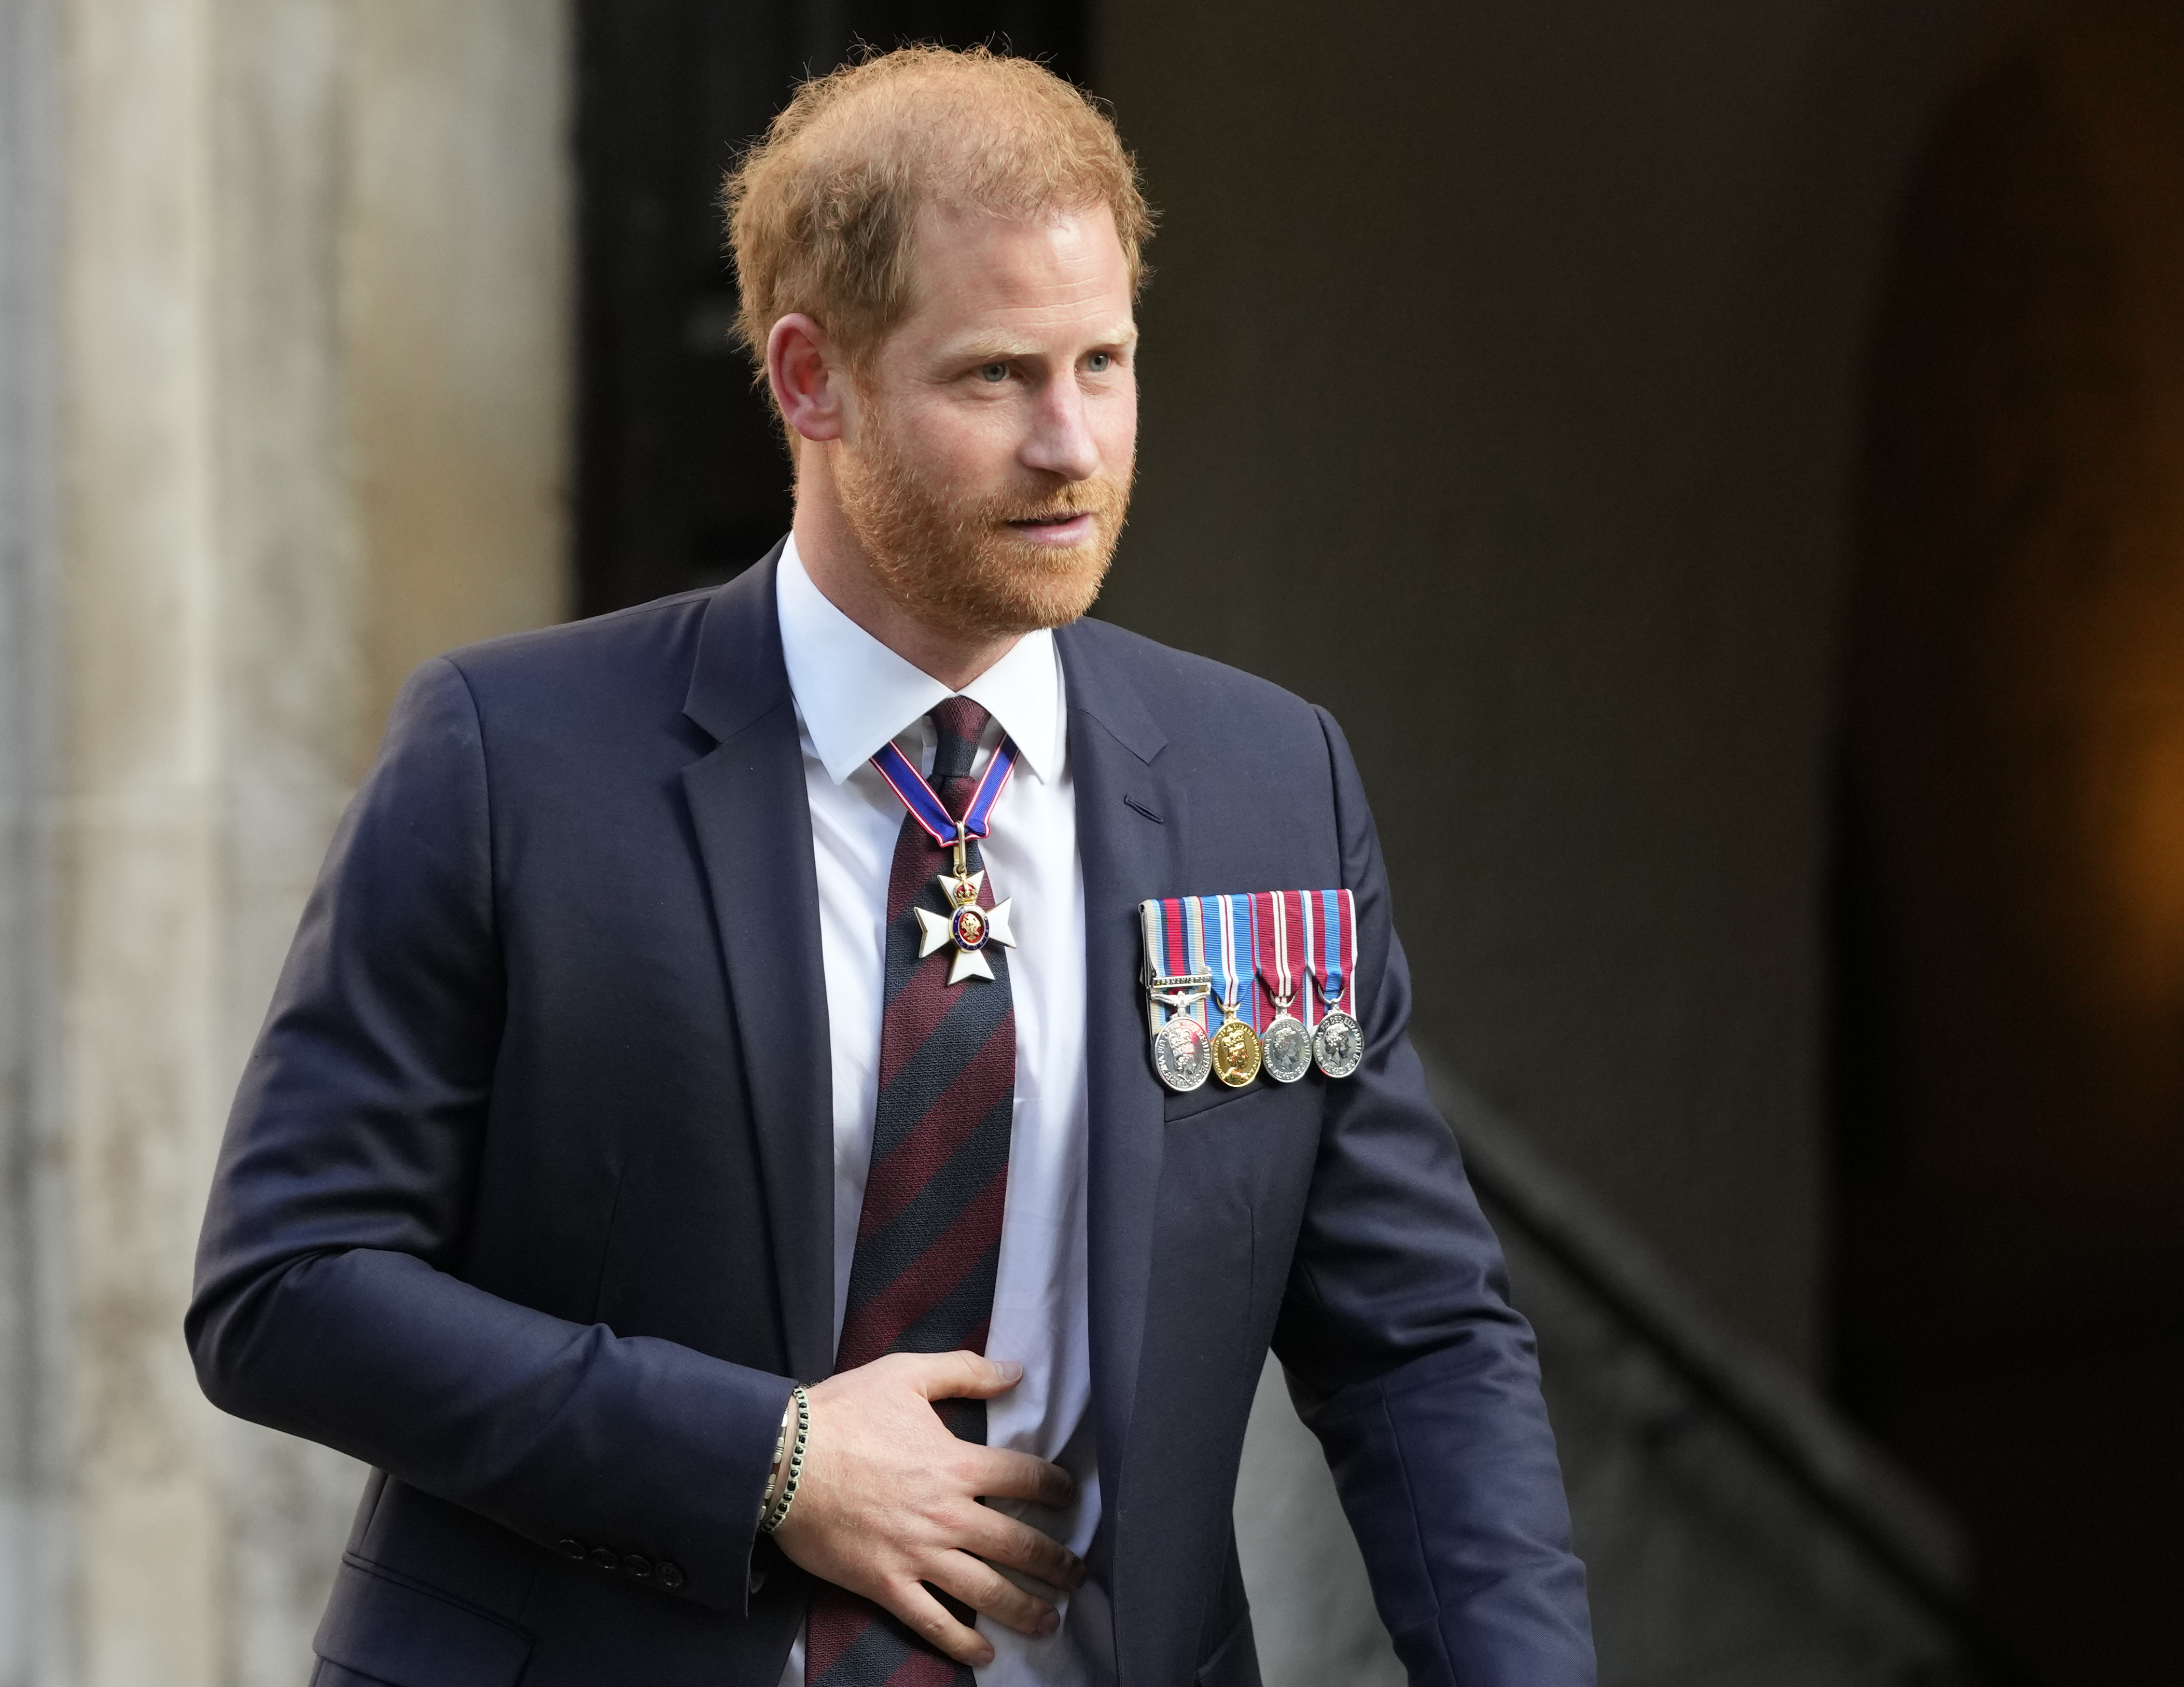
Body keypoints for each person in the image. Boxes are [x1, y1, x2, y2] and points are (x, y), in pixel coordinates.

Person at [188, 45, 1594, 1687]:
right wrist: (769, 1460)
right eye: (997, 376)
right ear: (810, 378)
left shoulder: (1269, 786)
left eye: (1106, 361)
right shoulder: (514, 760)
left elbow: (1415, 1341)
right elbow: (286, 1286)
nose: (1072, 445)